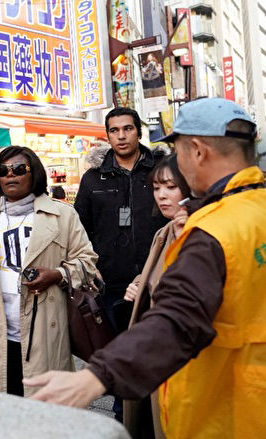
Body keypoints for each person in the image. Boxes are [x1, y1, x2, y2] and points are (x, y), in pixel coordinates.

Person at [25, 98, 266, 439]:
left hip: (226, 413)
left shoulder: (212, 231)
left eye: (178, 152)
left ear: (197, 151)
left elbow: (177, 320)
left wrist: (95, 377)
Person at [0, 146, 97, 396]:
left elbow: (88, 262)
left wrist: (57, 274)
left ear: (34, 173)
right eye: (3, 170)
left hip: (45, 332)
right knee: (1, 414)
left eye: (19, 169)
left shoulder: (62, 215)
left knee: (44, 413)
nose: (10, 175)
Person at [114, 154, 190, 438]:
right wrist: (140, 284)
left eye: (171, 187)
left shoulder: (198, 232)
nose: (161, 195)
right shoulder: (165, 231)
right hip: (153, 355)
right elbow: (155, 273)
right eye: (157, 188)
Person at [74, 107, 167, 334]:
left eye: (128, 129)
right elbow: (78, 229)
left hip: (157, 276)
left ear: (139, 132)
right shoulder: (93, 178)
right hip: (108, 282)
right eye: (114, 131)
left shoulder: (161, 171)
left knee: (158, 350)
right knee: (116, 351)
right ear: (108, 136)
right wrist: (90, 267)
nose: (121, 136)